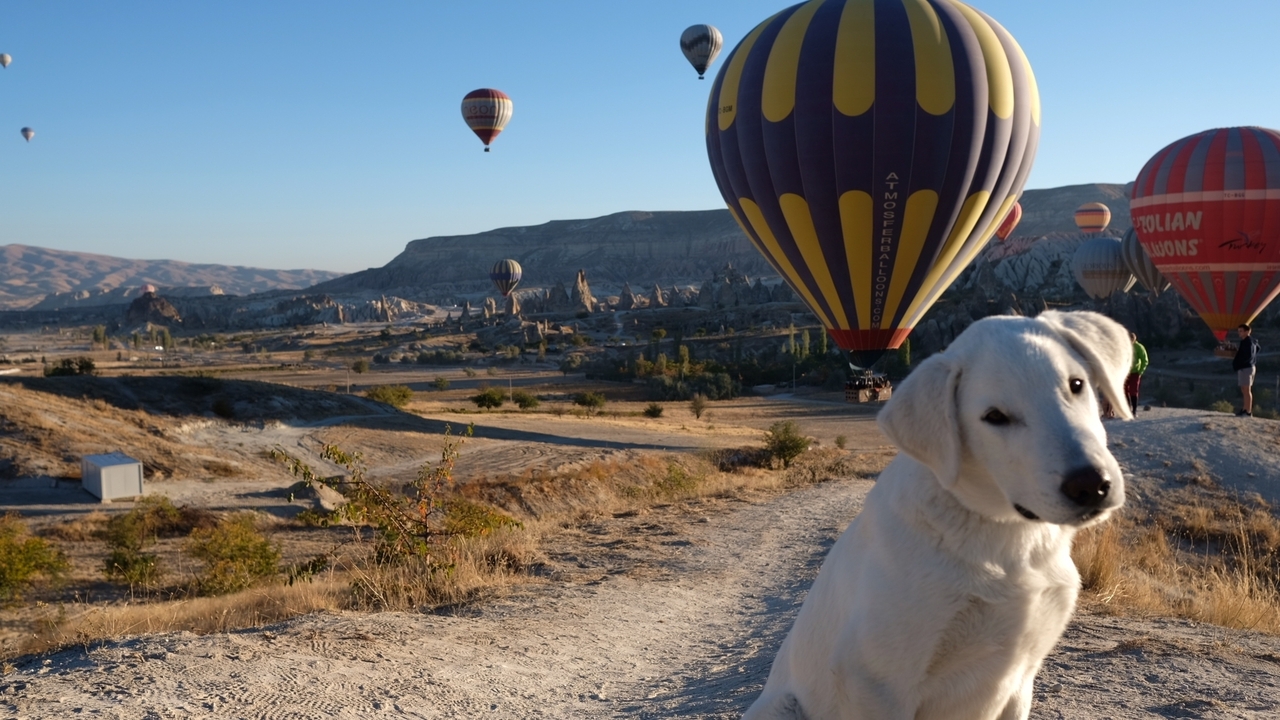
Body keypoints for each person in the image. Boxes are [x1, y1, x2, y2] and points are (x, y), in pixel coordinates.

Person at [1232, 323, 1260, 417]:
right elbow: (1258, 349)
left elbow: (1247, 356)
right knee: (1244, 389)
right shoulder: (1252, 341)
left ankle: (1248, 411)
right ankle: (1245, 409)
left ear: (1247, 331)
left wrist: (1239, 361)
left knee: (1247, 390)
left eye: (1241, 331)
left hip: (1246, 368)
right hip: (1248, 367)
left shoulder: (1247, 342)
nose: (1239, 333)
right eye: (1238, 331)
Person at [1124, 332, 1148, 415]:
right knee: (1124, 390)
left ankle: (1134, 410)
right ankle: (1127, 408)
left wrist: (1140, 371)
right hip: (1125, 372)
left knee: (1133, 391)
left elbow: (1145, 360)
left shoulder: (1139, 347)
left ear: (1134, 339)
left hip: (1135, 373)